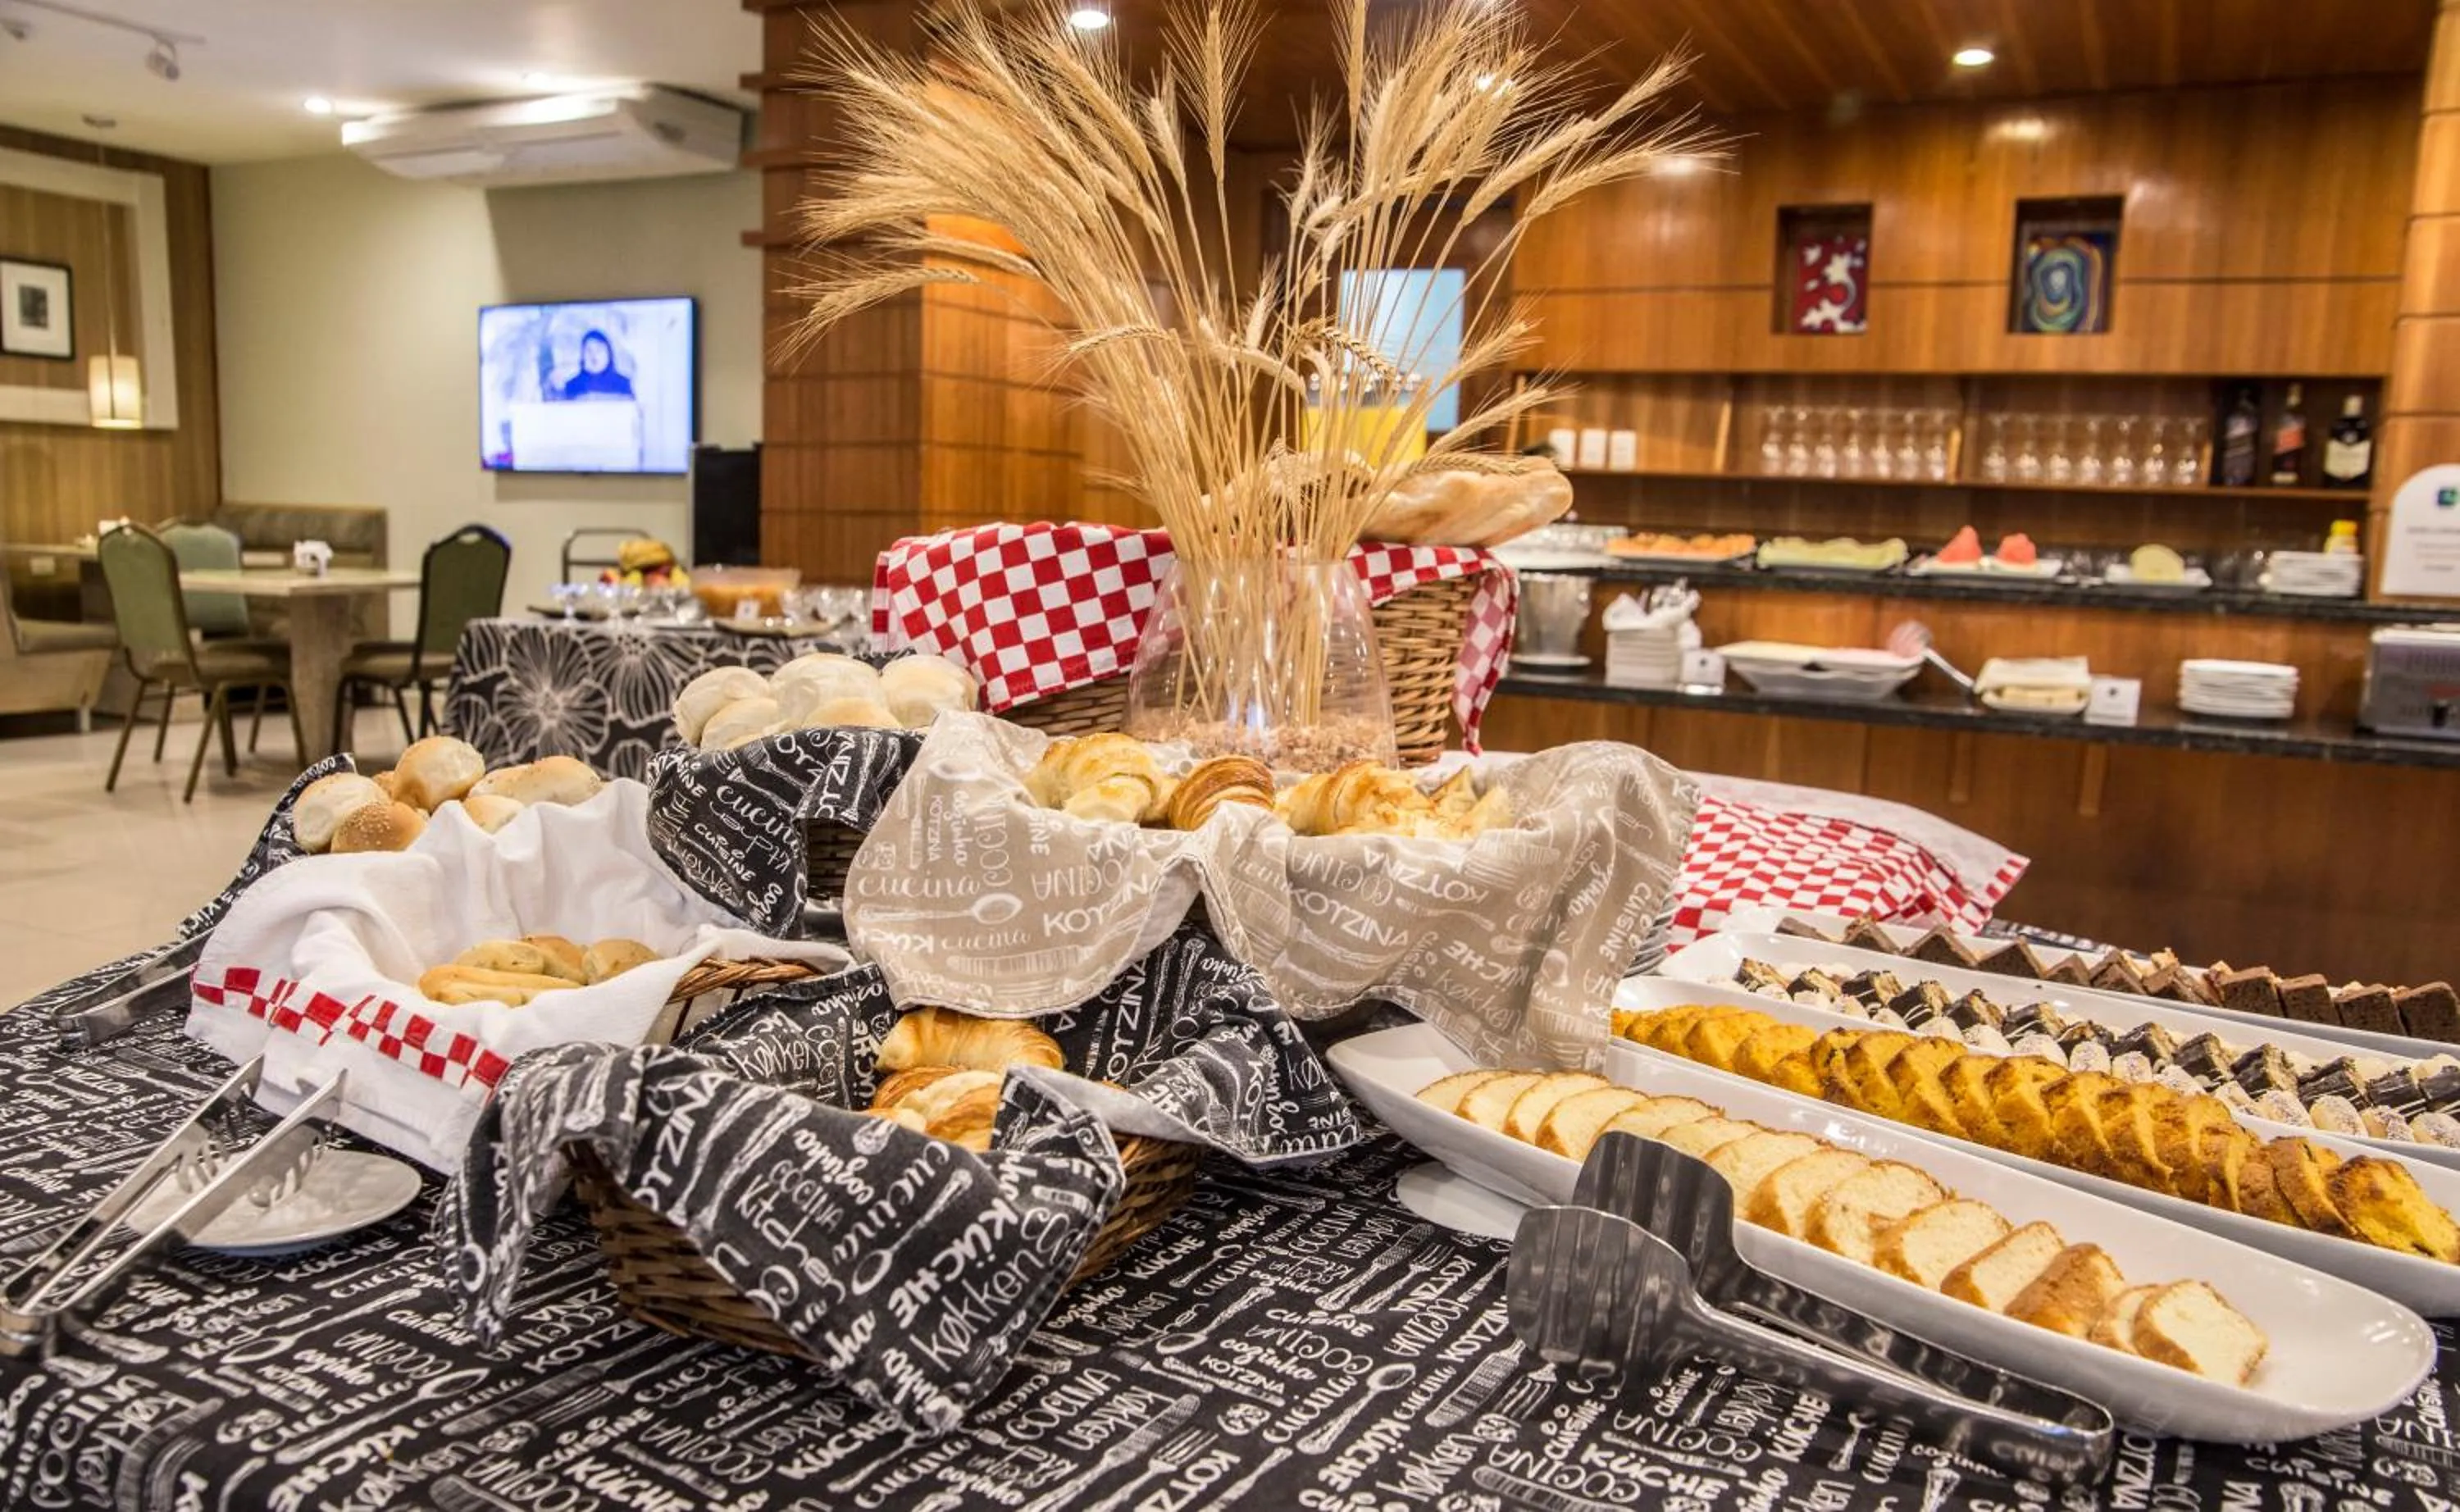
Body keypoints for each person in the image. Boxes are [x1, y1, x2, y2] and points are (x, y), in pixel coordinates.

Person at [561, 329, 636, 400]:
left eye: (599, 350)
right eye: (589, 351)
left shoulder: (623, 384)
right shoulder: (572, 386)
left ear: (609, 354)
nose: (594, 356)